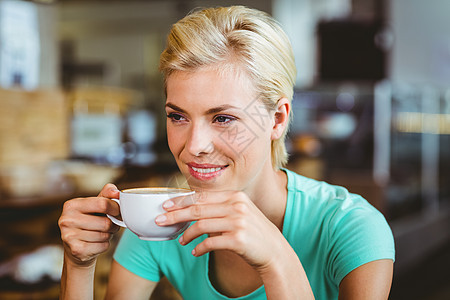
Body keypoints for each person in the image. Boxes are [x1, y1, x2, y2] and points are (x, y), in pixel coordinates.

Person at [58, 6, 395, 299]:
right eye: (177, 116)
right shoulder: (160, 222)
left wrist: (277, 258)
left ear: (277, 119)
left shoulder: (352, 228)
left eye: (223, 118)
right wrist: (78, 265)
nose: (193, 146)